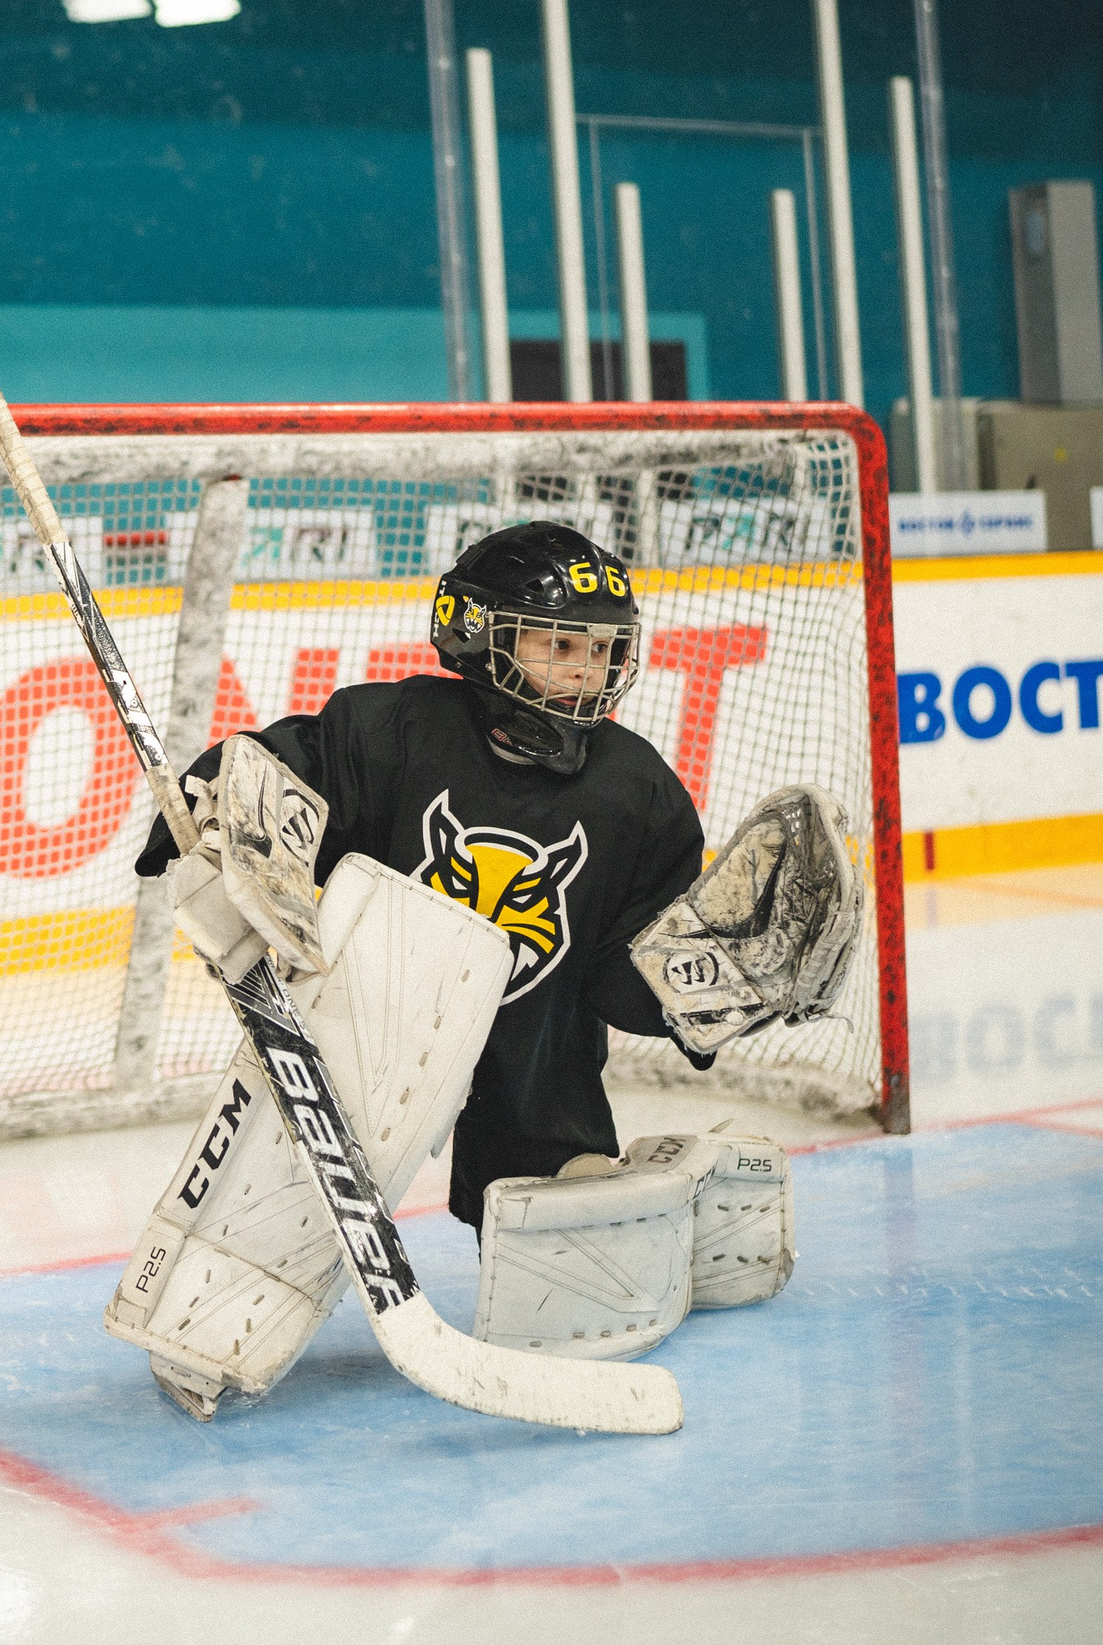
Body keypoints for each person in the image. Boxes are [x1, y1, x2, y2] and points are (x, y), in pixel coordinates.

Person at [130, 519, 717, 1231]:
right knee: (301, 1151)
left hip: (539, 1057)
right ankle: (264, 1224)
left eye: (602, 652)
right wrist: (223, 808)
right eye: (559, 646)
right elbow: (286, 772)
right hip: (376, 1018)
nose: (584, 674)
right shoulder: (395, 730)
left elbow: (625, 976)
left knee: (546, 1079)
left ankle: (556, 1192)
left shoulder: (639, 791)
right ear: (479, 632)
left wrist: (707, 981)